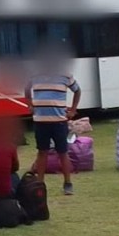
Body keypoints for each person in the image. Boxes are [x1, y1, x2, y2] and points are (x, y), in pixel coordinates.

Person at [27, 67, 81, 196]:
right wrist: (29, 104)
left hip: (59, 122)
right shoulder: (34, 74)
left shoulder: (65, 75)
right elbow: (26, 88)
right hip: (40, 122)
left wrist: (73, 110)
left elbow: (77, 91)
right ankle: (40, 184)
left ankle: (68, 183)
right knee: (42, 152)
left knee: (63, 153)